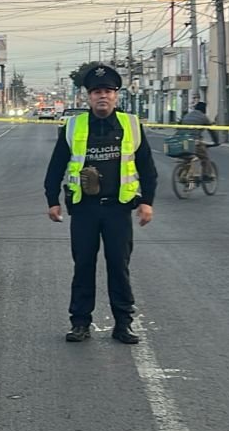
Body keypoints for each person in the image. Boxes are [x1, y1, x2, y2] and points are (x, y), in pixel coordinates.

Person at [43, 63, 158, 345]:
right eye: (96, 92)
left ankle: (123, 324)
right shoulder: (73, 126)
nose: (102, 96)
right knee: (83, 266)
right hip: (85, 210)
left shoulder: (131, 125)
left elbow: (146, 167)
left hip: (118, 210)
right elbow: (56, 165)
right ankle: (80, 323)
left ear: (116, 95)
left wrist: (147, 202)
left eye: (107, 91)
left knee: (119, 266)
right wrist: (52, 200)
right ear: (88, 97)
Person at [178, 100, 221, 178]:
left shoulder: (187, 115)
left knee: (187, 156)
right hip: (194, 141)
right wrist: (216, 141)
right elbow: (212, 131)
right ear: (204, 110)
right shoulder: (203, 117)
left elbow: (179, 127)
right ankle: (206, 174)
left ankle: (184, 172)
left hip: (182, 140)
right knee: (204, 157)